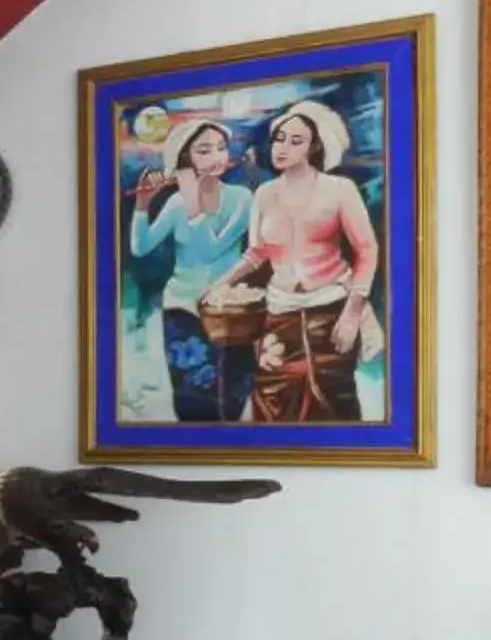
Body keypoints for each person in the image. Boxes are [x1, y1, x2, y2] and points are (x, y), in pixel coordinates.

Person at [206, 99, 382, 422]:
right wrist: (220, 284)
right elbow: (257, 252)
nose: (283, 147)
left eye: (296, 141)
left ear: (315, 145)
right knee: (273, 401)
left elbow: (367, 250)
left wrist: (352, 313)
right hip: (279, 316)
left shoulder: (340, 189)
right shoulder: (265, 194)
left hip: (331, 313)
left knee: (333, 401)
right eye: (279, 139)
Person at [127, 118, 256, 421]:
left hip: (229, 311)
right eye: (204, 150)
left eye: (222, 148)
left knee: (233, 401)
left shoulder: (242, 198)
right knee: (193, 403)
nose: (217, 157)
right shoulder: (175, 202)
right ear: (185, 159)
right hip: (182, 308)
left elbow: (212, 250)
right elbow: (140, 247)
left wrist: (193, 205)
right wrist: (143, 204)